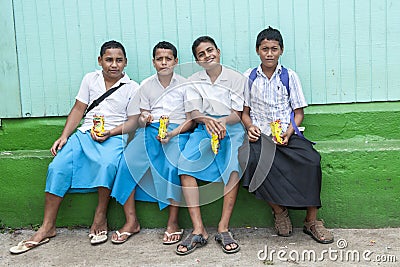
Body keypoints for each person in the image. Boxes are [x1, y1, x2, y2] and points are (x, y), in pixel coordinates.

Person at [9, 40, 140, 254]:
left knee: (107, 164)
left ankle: (100, 215)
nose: (113, 65)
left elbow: (133, 121)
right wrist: (64, 136)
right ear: (100, 61)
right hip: (85, 133)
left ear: (125, 63)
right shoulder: (90, 79)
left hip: (114, 135)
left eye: (118, 60)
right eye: (108, 60)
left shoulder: (133, 87)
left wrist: (110, 132)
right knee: (57, 167)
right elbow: (79, 109)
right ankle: (47, 226)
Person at [241, 26, 334, 244]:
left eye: (274, 48)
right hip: (261, 136)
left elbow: (298, 112)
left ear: (281, 50)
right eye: (265, 49)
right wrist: (250, 127)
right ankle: (279, 211)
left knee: (311, 161)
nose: (270, 53)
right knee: (251, 162)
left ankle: (311, 220)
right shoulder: (249, 77)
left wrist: (289, 131)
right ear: (258, 51)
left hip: (286, 134)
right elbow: (244, 113)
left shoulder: (289, 76)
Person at [110, 41, 193, 245]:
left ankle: (173, 223)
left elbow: (191, 121)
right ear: (154, 62)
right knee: (126, 162)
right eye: (159, 59)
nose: (164, 63)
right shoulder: (145, 85)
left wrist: (172, 134)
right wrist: (144, 119)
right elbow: (141, 117)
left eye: (168, 59)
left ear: (176, 61)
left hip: (177, 132)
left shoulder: (186, 84)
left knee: (173, 166)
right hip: (150, 130)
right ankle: (131, 222)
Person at [176, 36, 246, 255]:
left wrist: (222, 122)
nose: (208, 56)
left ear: (218, 51)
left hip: (231, 128)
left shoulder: (236, 78)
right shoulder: (193, 81)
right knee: (184, 166)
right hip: (204, 128)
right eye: (201, 54)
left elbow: (238, 113)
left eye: (210, 50)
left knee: (233, 167)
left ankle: (223, 228)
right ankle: (198, 229)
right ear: (198, 61)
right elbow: (194, 113)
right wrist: (208, 121)